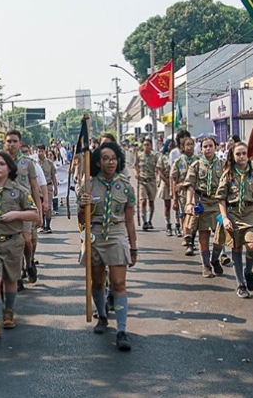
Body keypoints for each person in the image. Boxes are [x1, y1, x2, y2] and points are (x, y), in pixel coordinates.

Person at [77, 142, 138, 351]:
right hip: (95, 235)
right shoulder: (89, 185)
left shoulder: (126, 186)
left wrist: (134, 247)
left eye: (113, 158)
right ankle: (102, 316)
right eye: (105, 158)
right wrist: (83, 205)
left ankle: (122, 330)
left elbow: (130, 220)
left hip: (117, 233)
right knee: (97, 282)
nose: (110, 162)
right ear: (98, 162)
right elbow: (80, 219)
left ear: (118, 160)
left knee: (119, 284)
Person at [0, 151, 39, 338]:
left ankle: (8, 311)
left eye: (1, 163)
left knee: (11, 280)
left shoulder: (19, 191)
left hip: (13, 241)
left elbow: (33, 213)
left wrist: (16, 215)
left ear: (9, 168)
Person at [215, 142, 253, 298]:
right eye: (238, 154)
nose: (241, 157)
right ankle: (241, 284)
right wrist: (225, 218)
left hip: (251, 212)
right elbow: (221, 199)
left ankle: (248, 271)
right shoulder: (227, 175)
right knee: (236, 248)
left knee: (251, 245)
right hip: (234, 213)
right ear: (233, 157)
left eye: (244, 153)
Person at [4, 130, 43, 287]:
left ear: (20, 143)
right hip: (8, 207)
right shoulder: (1, 162)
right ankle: (18, 274)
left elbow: (34, 187)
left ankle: (29, 262)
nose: (11, 144)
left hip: (25, 207)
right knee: (14, 242)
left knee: (26, 240)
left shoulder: (28, 163)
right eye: (8, 141)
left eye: (14, 141)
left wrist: (38, 211)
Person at [184, 136, 226, 274]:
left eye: (210, 146)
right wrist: (189, 203)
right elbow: (190, 185)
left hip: (218, 203)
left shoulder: (223, 164)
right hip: (202, 202)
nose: (208, 149)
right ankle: (206, 265)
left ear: (216, 147)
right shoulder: (196, 165)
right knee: (204, 235)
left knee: (221, 234)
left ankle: (215, 258)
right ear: (201, 149)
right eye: (205, 146)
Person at [170, 134, 194, 238]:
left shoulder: (198, 160)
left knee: (195, 216)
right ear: (183, 147)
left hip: (195, 192)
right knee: (185, 215)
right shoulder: (178, 161)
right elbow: (174, 180)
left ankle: (191, 236)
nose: (190, 147)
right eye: (188, 144)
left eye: (192, 144)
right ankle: (186, 237)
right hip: (182, 194)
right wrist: (174, 199)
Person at [136, 138, 158, 230]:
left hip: (151, 181)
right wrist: (136, 173)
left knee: (151, 202)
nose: (146, 147)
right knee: (143, 201)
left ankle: (150, 220)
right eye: (144, 145)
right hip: (142, 181)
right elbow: (136, 166)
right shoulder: (139, 155)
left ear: (151, 146)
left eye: (148, 145)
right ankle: (144, 221)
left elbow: (158, 168)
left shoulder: (155, 156)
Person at [36, 145, 58, 232]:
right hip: (37, 188)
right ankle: (42, 225)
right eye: (38, 151)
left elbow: (53, 176)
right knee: (39, 206)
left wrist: (55, 188)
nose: (40, 153)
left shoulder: (49, 163)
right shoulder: (34, 163)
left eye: (41, 151)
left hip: (48, 187)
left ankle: (48, 225)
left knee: (48, 206)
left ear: (44, 152)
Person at [157, 140, 174, 236]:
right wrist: (167, 182)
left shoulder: (177, 155)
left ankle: (178, 225)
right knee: (167, 205)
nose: (171, 147)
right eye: (170, 145)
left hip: (175, 181)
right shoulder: (163, 157)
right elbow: (160, 171)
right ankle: (168, 225)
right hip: (166, 180)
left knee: (177, 206)